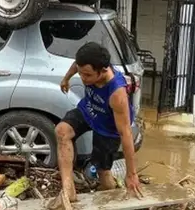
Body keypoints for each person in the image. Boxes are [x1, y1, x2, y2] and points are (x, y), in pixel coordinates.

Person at [55, 42, 142, 202]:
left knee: (103, 174)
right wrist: (66, 78)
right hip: (89, 111)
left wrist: (132, 174)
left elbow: (125, 133)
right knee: (62, 131)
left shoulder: (117, 93)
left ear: (103, 71)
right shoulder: (86, 65)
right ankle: (68, 189)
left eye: (87, 75)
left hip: (108, 129)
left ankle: (111, 196)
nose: (83, 78)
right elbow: (77, 65)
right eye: (81, 74)